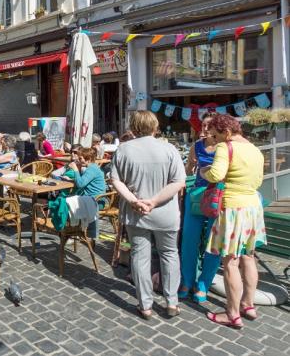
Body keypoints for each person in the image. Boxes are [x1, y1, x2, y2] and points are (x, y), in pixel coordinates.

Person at [110, 110, 186, 320]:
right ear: (155, 126)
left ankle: (145, 305)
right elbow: (179, 182)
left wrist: (134, 201)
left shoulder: (123, 150)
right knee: (169, 254)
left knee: (140, 257)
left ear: (133, 127)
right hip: (165, 213)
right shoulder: (169, 149)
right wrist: (154, 202)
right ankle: (171, 302)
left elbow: (116, 180)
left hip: (136, 213)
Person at [201, 114, 265, 329]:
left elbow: (217, 174)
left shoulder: (225, 147)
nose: (216, 140)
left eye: (217, 135)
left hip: (232, 209)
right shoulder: (255, 149)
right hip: (252, 208)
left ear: (226, 132)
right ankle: (248, 304)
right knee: (248, 257)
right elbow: (258, 181)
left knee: (230, 261)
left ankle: (232, 313)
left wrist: (204, 171)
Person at [179, 113, 221, 304]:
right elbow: (189, 169)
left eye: (207, 126)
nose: (203, 130)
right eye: (202, 126)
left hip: (217, 197)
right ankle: (187, 280)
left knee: (213, 243)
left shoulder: (224, 148)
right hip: (196, 196)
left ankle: (203, 283)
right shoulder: (196, 146)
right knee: (189, 240)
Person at [61, 147, 106, 246]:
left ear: (88, 159)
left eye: (80, 158)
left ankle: (72, 232)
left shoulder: (92, 169)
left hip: (97, 201)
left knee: (67, 203)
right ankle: (73, 231)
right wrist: (70, 180)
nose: (78, 160)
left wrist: (76, 170)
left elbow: (81, 184)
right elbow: (83, 182)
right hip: (91, 198)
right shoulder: (92, 168)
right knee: (68, 199)